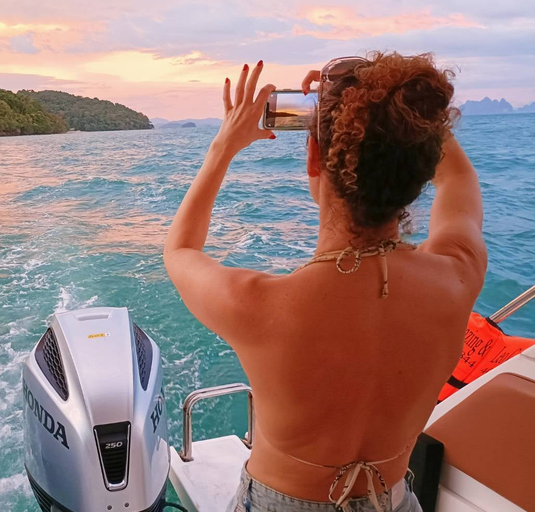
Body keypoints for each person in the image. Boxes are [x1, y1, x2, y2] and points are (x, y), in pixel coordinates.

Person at [163, 52, 486, 512]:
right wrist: (390, 102)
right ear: (422, 163)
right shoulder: (458, 275)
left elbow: (180, 250)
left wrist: (225, 143)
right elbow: (459, 176)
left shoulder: (258, 304)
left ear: (314, 157)